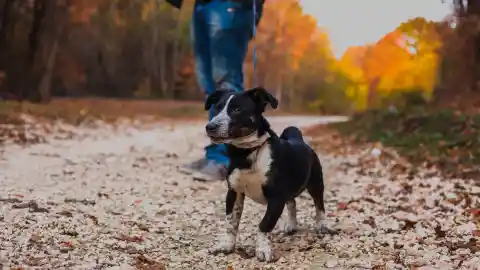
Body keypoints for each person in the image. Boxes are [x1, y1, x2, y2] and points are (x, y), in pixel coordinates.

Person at [166, 0, 264, 181]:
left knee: (227, 81)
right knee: (210, 86)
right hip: (202, 4)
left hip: (230, 5)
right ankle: (215, 153)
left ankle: (226, 159)